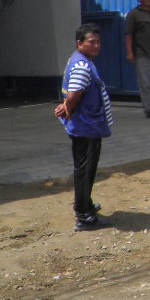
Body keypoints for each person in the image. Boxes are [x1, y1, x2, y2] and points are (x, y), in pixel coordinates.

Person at [54, 24, 114, 231]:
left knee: (87, 169)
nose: (96, 46)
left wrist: (66, 107)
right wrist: (67, 108)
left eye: (98, 42)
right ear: (80, 44)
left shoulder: (82, 60)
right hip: (85, 127)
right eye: (91, 42)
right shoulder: (81, 65)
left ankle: (86, 204)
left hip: (88, 125)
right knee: (84, 170)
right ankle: (84, 216)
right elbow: (74, 95)